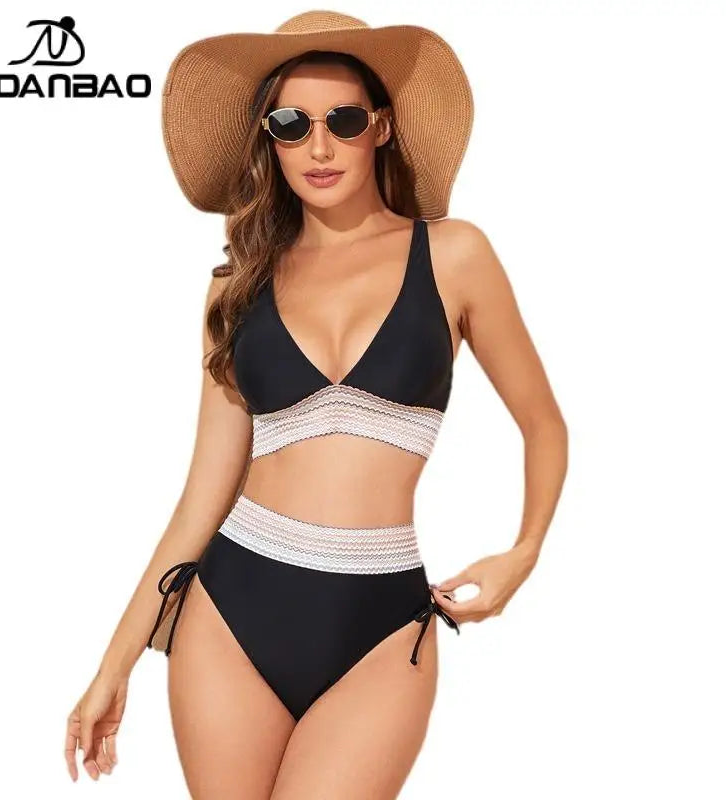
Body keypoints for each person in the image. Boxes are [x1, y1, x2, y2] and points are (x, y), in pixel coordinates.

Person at [64, 10, 568, 798]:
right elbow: (201, 496)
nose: (320, 147)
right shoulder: (236, 287)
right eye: (292, 125)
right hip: (231, 613)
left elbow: (543, 425)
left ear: (382, 128)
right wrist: (113, 666)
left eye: (344, 121)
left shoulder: (454, 255)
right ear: (270, 138)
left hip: (382, 626)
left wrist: (524, 551)